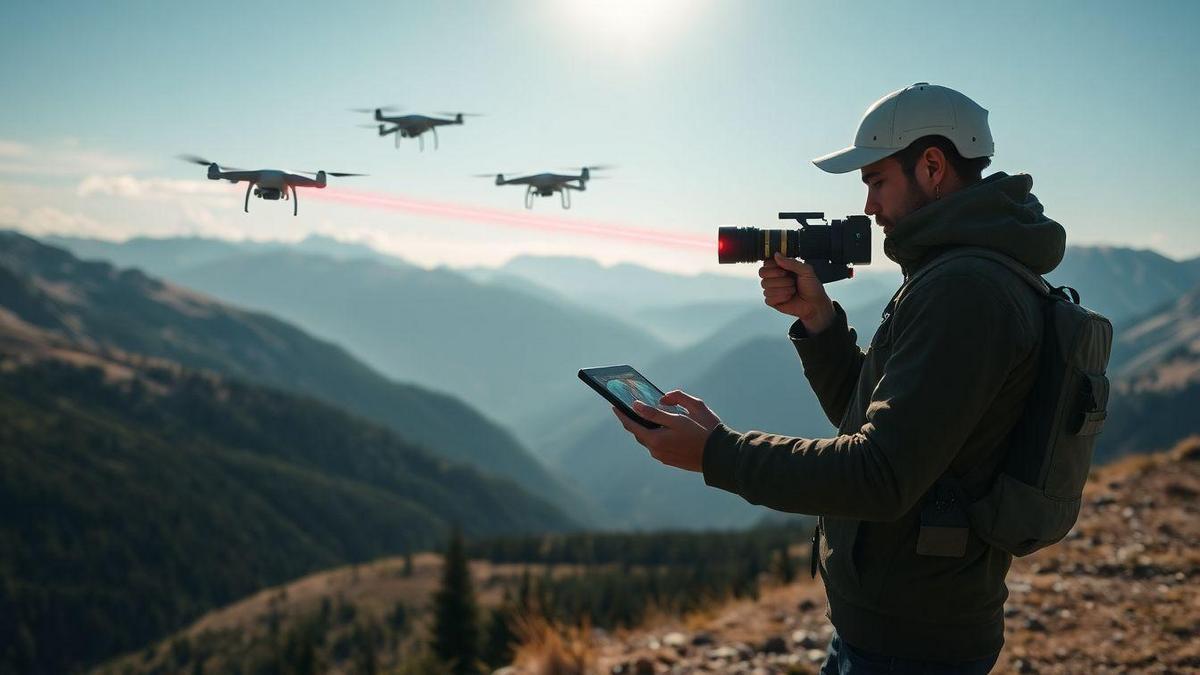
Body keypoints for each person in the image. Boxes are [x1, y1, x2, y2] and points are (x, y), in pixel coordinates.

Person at [611, 83, 1066, 674]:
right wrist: (820, 324)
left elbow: (878, 475)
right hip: (900, 623)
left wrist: (716, 453)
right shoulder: (954, 274)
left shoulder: (964, 290)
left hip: (911, 642)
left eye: (877, 181)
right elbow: (876, 421)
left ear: (931, 166)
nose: (870, 207)